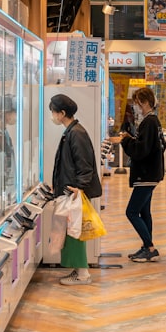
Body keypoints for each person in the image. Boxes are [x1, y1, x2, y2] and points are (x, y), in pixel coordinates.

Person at [49, 94, 102, 285]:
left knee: (74, 232)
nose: (52, 116)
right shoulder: (71, 132)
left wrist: (79, 187)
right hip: (70, 190)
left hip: (74, 192)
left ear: (62, 113)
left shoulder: (76, 133)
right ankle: (78, 271)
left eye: (53, 112)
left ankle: (82, 274)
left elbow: (84, 165)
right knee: (71, 231)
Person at [111, 87, 165, 262]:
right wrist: (132, 139)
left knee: (132, 212)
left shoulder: (148, 122)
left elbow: (141, 151)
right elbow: (153, 146)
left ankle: (150, 247)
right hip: (151, 174)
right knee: (144, 212)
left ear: (144, 102)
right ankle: (145, 247)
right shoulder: (154, 122)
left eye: (137, 103)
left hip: (145, 175)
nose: (135, 106)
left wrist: (126, 140)